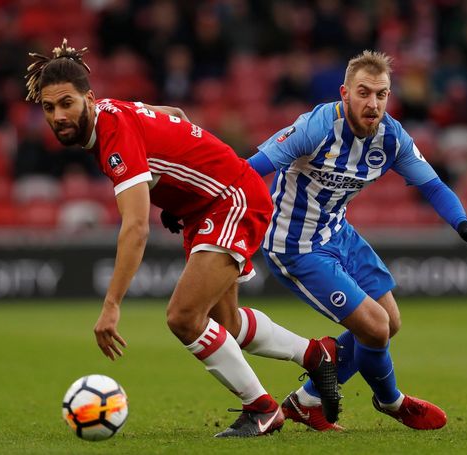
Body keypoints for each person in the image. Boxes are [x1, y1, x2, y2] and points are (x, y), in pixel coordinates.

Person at [24, 39, 340, 438]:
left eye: (66, 103)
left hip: (231, 198)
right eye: (49, 108)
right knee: (226, 322)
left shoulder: (113, 136)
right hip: (207, 206)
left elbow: (136, 227)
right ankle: (317, 354)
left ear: (88, 98)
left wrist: (111, 305)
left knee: (183, 317)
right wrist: (182, 187)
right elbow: (174, 114)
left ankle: (261, 409)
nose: (57, 116)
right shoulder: (108, 112)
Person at [246, 50, 467, 431]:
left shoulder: (391, 137)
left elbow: (433, 185)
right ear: (345, 93)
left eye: (381, 94)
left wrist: (462, 223)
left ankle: (307, 401)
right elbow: (249, 171)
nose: (373, 103)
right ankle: (392, 402)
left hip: (339, 232)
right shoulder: (315, 127)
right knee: (374, 328)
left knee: (389, 322)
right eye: (364, 92)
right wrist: (200, 203)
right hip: (295, 245)